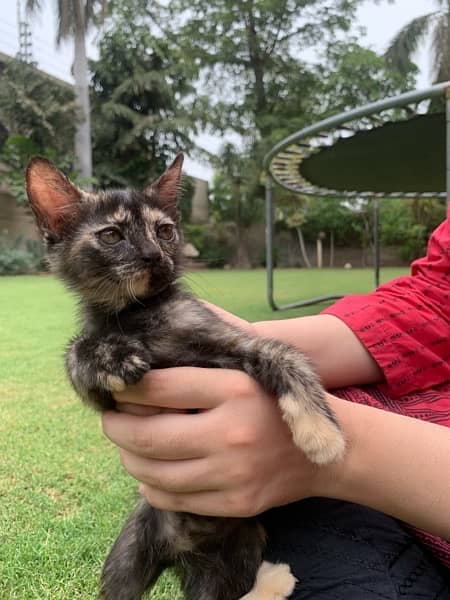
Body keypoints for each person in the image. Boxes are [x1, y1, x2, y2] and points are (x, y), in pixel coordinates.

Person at [102, 214, 450, 598]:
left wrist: (341, 461)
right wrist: (240, 344)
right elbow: (437, 299)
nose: (150, 248)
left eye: (163, 232)